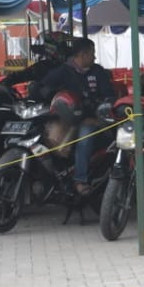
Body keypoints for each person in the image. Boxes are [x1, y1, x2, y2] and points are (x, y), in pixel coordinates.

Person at [38, 37, 116, 196]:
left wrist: (100, 111)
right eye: (92, 53)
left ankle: (80, 180)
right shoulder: (62, 71)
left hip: (93, 118)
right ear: (82, 54)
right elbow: (42, 87)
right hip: (66, 118)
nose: (94, 57)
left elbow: (109, 96)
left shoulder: (98, 72)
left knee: (85, 135)